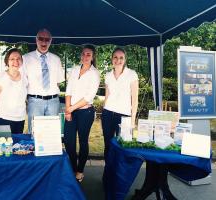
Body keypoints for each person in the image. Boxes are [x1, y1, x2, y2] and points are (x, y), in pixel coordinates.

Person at [64, 45, 100, 182]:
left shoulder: (95, 73)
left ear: (93, 57)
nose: (85, 57)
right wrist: (68, 110)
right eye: (84, 54)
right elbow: (68, 90)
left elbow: (88, 97)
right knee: (68, 142)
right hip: (70, 111)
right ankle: (73, 168)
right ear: (81, 55)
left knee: (83, 141)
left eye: (88, 54)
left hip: (86, 113)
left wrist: (70, 109)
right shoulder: (74, 70)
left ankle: (80, 171)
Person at [23, 28, 64, 133]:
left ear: (51, 41)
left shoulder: (56, 59)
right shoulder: (25, 58)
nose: (44, 42)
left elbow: (58, 81)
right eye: (41, 38)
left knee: (51, 132)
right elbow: (23, 82)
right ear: (36, 40)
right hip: (35, 102)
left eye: (47, 39)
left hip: (53, 102)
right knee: (34, 133)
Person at [101, 47, 139, 160]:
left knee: (123, 146)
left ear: (125, 59)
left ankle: (119, 176)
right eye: (115, 57)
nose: (118, 60)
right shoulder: (108, 75)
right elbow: (107, 95)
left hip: (124, 116)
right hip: (108, 113)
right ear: (112, 59)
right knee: (108, 144)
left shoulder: (132, 74)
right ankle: (108, 173)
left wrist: (133, 121)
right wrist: (103, 110)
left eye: (121, 58)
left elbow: (135, 99)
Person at [0, 48, 27, 133]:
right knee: (3, 145)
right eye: (12, 59)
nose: (16, 62)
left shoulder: (25, 77)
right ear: (7, 61)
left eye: (18, 59)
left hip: (20, 119)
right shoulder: (1, 77)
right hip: (3, 119)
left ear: (22, 61)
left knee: (17, 145)